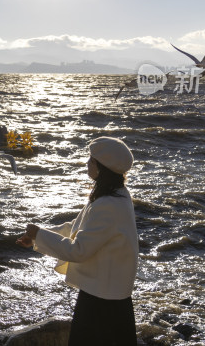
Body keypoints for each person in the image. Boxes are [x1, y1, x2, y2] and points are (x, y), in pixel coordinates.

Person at [17, 136, 139, 345]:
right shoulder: (118, 195)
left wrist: (40, 234)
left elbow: (78, 250)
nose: (87, 164)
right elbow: (77, 228)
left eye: (91, 160)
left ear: (102, 168)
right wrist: (39, 235)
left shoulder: (108, 203)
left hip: (103, 300)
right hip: (109, 294)